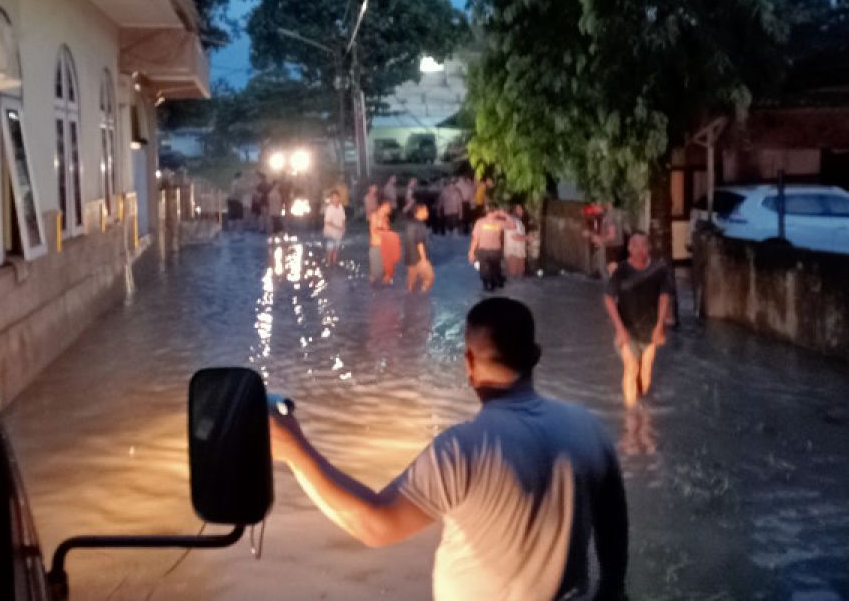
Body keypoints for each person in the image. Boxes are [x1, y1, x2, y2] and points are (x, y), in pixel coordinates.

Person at [269, 297, 628, 600]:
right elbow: (614, 538)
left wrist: (296, 451)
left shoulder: (463, 449)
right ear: (536, 355)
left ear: (469, 363)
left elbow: (376, 525)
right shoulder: (589, 429)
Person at [603, 231, 671, 408]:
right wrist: (619, 328)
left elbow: (664, 298)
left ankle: (643, 410)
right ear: (629, 248)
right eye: (636, 246)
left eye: (644, 245)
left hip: (650, 329)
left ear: (649, 248)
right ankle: (630, 417)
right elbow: (609, 299)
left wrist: (659, 326)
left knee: (645, 372)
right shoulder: (622, 271)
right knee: (631, 367)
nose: (640, 250)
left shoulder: (658, 270)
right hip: (627, 329)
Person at [469, 204, 509, 292]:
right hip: (491, 252)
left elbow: (475, 239)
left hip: (489, 252)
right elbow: (513, 225)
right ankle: (490, 289)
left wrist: (471, 252)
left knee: (489, 276)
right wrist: (505, 215)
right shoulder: (484, 222)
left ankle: (489, 289)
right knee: (490, 277)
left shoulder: (481, 222)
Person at [590, 201, 627, 277]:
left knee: (612, 272)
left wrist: (600, 240)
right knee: (615, 271)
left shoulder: (609, 216)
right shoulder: (617, 213)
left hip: (612, 247)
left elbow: (611, 236)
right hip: (618, 245)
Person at [404, 204, 435, 293]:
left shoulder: (409, 223)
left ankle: (410, 300)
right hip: (419, 259)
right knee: (430, 277)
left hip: (410, 258)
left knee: (411, 283)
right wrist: (424, 260)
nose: (427, 213)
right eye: (426, 211)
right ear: (420, 211)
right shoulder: (420, 225)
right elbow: (419, 243)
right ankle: (421, 296)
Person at [369, 200, 393, 285]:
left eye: (389, 207)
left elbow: (387, 230)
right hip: (376, 247)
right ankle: (372, 289)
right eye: (387, 207)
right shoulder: (374, 216)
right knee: (375, 272)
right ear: (381, 206)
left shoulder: (386, 218)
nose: (389, 209)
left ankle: (385, 291)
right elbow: (374, 230)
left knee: (385, 270)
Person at [323, 191, 346, 266]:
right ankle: (329, 263)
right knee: (330, 249)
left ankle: (334, 262)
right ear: (331, 199)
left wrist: (343, 227)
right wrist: (338, 227)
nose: (335, 199)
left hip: (339, 233)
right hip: (330, 233)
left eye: (336, 197)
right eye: (333, 198)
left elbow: (343, 218)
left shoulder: (340, 207)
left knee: (336, 248)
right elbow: (327, 222)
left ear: (339, 198)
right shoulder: (329, 208)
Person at [505, 203, 528, 278]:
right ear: (513, 211)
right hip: (513, 253)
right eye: (519, 209)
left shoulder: (519, 222)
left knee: (520, 276)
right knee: (512, 276)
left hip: (520, 253)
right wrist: (527, 238)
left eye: (521, 209)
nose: (521, 211)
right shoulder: (511, 221)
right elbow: (514, 237)